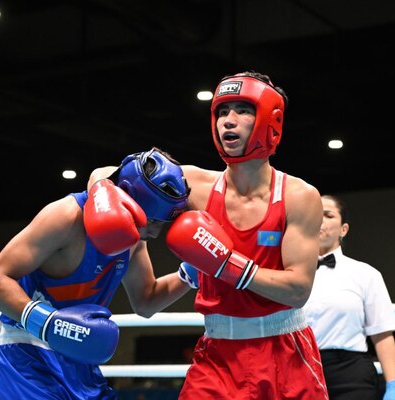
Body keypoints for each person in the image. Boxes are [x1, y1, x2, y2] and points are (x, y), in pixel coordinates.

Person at [114, 71, 325, 398]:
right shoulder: (195, 187)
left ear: (270, 120)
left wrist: (226, 264)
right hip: (217, 356)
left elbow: (298, 290)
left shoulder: (298, 196)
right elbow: (106, 178)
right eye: (222, 111)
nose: (229, 120)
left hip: (285, 352)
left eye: (243, 110)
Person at [0, 148, 192, 399]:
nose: (155, 232)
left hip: (81, 360)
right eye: (152, 220)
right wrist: (49, 323)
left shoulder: (133, 240)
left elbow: (146, 300)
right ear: (129, 198)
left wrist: (189, 274)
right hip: (29, 358)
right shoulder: (66, 217)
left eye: (161, 224)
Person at [303, 194, 395, 400]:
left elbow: (382, 334)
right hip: (301, 368)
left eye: (328, 215)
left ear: (343, 229)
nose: (320, 220)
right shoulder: (289, 273)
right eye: (315, 214)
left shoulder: (366, 274)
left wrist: (393, 385)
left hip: (350, 372)